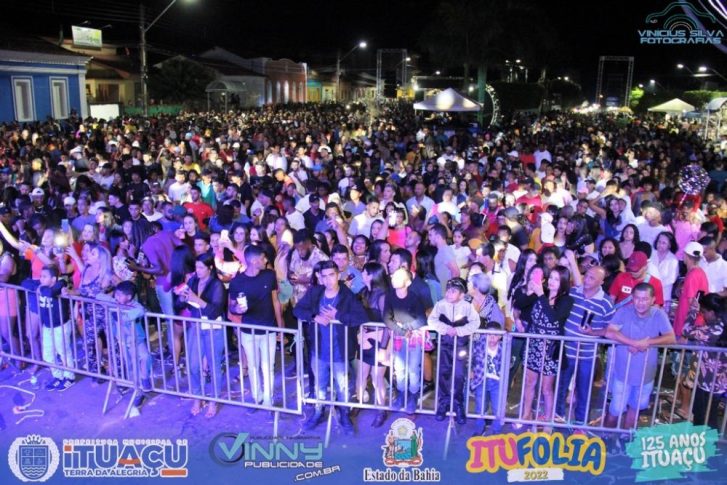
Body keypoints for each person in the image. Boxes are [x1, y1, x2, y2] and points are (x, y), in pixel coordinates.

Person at [293, 260, 368, 433]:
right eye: (324, 276)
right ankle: (318, 412)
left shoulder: (346, 295)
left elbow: (361, 317)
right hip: (319, 350)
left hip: (340, 352)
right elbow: (297, 310)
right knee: (319, 385)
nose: (328, 280)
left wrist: (338, 315)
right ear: (320, 277)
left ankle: (344, 414)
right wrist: (314, 317)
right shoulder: (315, 292)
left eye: (331, 275)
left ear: (338, 275)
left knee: (343, 387)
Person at [604, 283, 676, 429]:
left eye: (645, 299)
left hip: (646, 375)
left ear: (653, 300)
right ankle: (605, 435)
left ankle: (626, 436)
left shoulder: (658, 314)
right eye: (637, 298)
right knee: (615, 410)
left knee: (635, 409)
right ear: (632, 298)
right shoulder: (624, 311)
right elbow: (609, 332)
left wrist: (647, 342)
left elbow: (671, 338)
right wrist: (635, 343)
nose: (640, 303)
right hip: (622, 373)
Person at [557, 265, 614, 429]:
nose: (587, 280)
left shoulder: (606, 303)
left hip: (587, 354)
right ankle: (558, 420)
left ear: (601, 282)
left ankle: (580, 425)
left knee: (584, 391)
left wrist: (593, 332)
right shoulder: (573, 292)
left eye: (592, 278)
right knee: (561, 388)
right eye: (586, 275)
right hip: (567, 350)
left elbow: (610, 330)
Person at [228, 245, 284, 408]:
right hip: (248, 330)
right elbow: (232, 306)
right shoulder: (237, 281)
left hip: (268, 328)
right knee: (252, 366)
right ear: (253, 261)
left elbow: (275, 301)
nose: (265, 260)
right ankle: (257, 397)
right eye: (262, 258)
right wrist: (237, 309)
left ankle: (268, 399)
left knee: (268, 366)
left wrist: (280, 326)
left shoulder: (269, 275)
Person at [521, 265, 574, 433]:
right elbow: (523, 311)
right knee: (529, 383)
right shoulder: (540, 294)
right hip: (533, 345)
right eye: (551, 277)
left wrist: (540, 295)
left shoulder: (566, 300)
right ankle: (526, 415)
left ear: (563, 282)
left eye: (557, 279)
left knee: (546, 388)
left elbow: (553, 318)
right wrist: (528, 291)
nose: (551, 281)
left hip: (550, 350)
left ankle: (548, 421)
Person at [174, 253, 227, 418]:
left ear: (210, 268)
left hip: (213, 328)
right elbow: (179, 304)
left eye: (201, 268)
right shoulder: (193, 280)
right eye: (196, 267)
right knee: (193, 365)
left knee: (214, 365)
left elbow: (215, 311)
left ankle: (214, 400)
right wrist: (182, 297)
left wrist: (196, 299)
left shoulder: (217, 285)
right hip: (196, 326)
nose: (197, 270)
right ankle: (198, 396)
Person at [427, 277, 480, 424]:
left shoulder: (467, 307)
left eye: (453, 291)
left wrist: (459, 331)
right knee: (443, 373)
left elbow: (476, 323)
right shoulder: (440, 305)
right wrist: (445, 329)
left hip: (461, 347)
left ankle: (457, 403)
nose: (449, 293)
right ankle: (443, 403)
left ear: (462, 295)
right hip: (445, 345)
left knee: (459, 375)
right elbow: (432, 320)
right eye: (448, 290)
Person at [382, 268, 430, 415]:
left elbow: (422, 320)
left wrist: (407, 328)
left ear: (408, 282)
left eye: (398, 277)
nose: (394, 278)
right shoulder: (390, 296)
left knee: (414, 369)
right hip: (399, 336)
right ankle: (401, 393)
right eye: (394, 276)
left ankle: (413, 395)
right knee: (399, 368)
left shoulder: (414, 297)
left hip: (414, 337)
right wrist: (402, 331)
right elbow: (386, 318)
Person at [97, 281, 153, 408]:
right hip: (123, 341)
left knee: (145, 357)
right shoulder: (115, 301)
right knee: (131, 367)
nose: (116, 297)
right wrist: (110, 294)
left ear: (129, 297)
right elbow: (98, 296)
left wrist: (115, 310)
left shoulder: (136, 306)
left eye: (119, 295)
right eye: (116, 294)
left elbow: (130, 315)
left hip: (137, 340)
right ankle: (138, 392)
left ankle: (145, 379)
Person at [682, 293, 727, 429]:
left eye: (703, 312)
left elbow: (686, 330)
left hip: (707, 383)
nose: (703, 315)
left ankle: (707, 441)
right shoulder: (721, 326)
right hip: (718, 383)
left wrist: (693, 311)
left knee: (704, 418)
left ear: (712, 312)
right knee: (708, 416)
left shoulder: (712, 331)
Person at [355, 262, 391, 427]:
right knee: (361, 374)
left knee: (377, 378)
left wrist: (383, 348)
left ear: (371, 275)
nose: (361, 275)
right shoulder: (364, 292)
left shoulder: (383, 296)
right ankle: (359, 402)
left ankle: (381, 410)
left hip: (380, 341)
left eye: (364, 272)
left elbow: (388, 324)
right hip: (365, 339)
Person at [38, 266, 75, 391]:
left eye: (44, 276)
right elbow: (25, 282)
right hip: (47, 326)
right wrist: (41, 287)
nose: (41, 279)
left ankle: (69, 377)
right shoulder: (43, 286)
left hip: (61, 325)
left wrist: (41, 288)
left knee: (63, 352)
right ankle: (58, 376)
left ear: (53, 279)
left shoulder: (60, 285)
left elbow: (52, 291)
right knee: (48, 354)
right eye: (41, 276)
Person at [470, 320, 504, 436]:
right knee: (480, 405)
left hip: (497, 381)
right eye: (489, 334)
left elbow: (508, 364)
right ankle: (479, 428)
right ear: (485, 334)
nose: (492, 338)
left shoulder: (504, 348)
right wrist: (470, 369)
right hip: (481, 379)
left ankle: (496, 430)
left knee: (497, 407)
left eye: (495, 335)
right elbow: (471, 358)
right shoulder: (479, 345)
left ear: (500, 336)